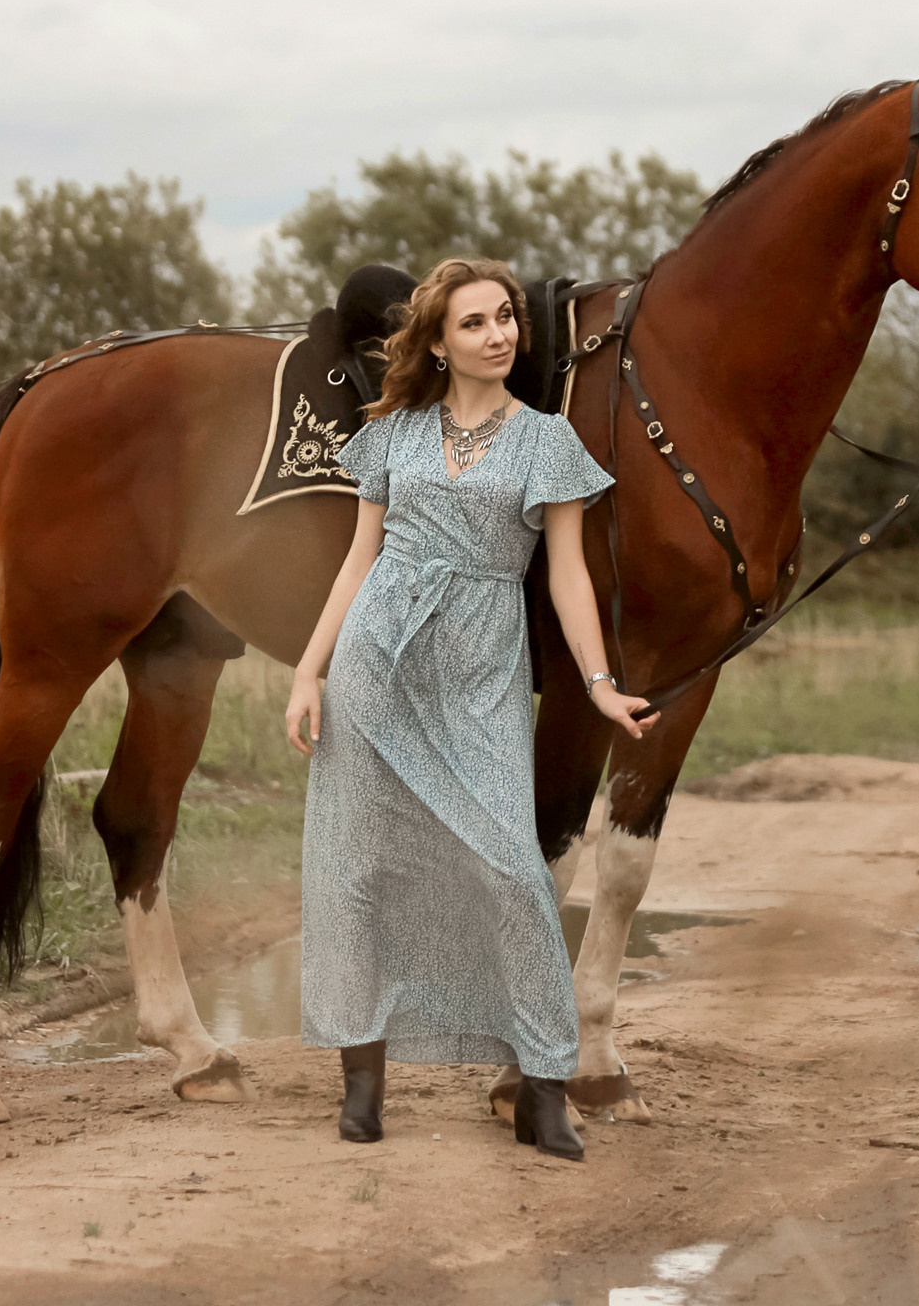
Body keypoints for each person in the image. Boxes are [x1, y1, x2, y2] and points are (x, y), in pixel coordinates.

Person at [284, 256, 658, 1162]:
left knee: (512, 875)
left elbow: (565, 574)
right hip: (378, 662)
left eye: (505, 320)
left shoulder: (548, 442)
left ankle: (542, 1088)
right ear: (440, 344)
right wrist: (309, 670)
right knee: (360, 869)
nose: (497, 335)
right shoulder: (393, 434)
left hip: (482, 670)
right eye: (475, 324)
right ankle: (363, 1081)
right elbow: (358, 561)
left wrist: (600, 683)